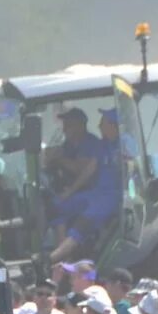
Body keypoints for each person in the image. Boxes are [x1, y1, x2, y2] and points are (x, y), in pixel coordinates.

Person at [47, 108, 118, 263]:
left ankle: (52, 260)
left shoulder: (124, 146)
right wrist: (69, 193)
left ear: (113, 125)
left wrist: (60, 160)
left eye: (103, 123)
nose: (99, 126)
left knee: (81, 225)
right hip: (95, 193)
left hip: (111, 197)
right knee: (58, 206)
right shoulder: (103, 145)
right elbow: (88, 170)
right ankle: (63, 257)